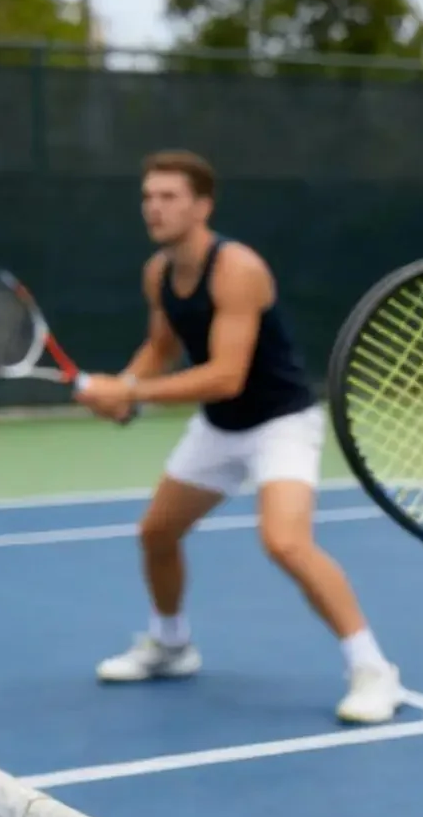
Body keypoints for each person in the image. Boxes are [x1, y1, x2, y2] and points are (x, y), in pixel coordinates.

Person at [76, 149, 403, 725]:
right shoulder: (159, 272)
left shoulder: (237, 268)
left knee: (285, 542)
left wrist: (130, 395)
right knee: (157, 533)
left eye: (169, 196)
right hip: (219, 428)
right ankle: (172, 646)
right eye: (148, 196)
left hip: (280, 423)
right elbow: (161, 346)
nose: (154, 207)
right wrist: (126, 385)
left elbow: (227, 374)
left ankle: (374, 669)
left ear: (202, 205)